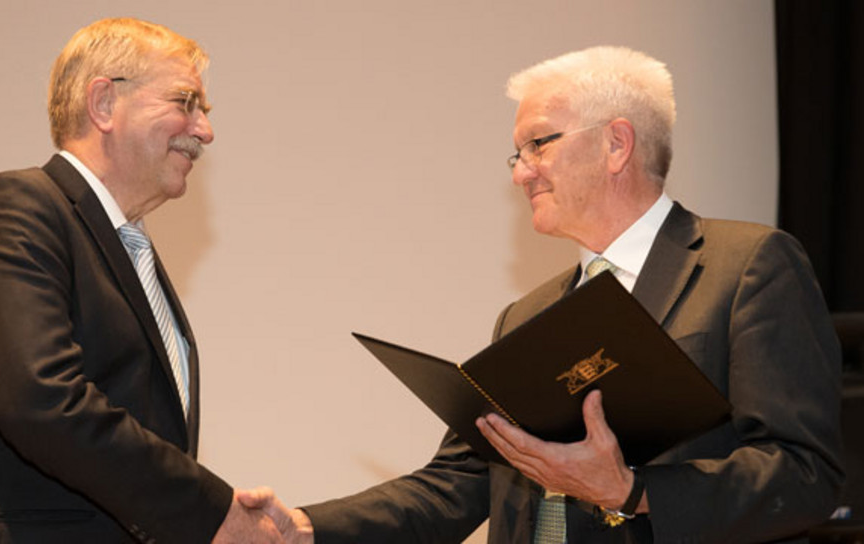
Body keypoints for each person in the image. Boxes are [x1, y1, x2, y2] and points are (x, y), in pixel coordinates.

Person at [247, 46, 845, 543]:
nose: (520, 172)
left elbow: (804, 475)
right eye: (518, 153)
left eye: (539, 144)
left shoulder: (747, 268)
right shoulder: (526, 316)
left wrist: (633, 492)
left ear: (617, 144)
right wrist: (305, 528)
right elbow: (457, 483)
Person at [0, 18, 283, 544]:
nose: (204, 131)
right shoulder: (18, 205)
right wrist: (210, 511)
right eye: (186, 102)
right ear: (103, 103)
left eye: (205, 112)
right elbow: (42, 399)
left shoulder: (132, 251)